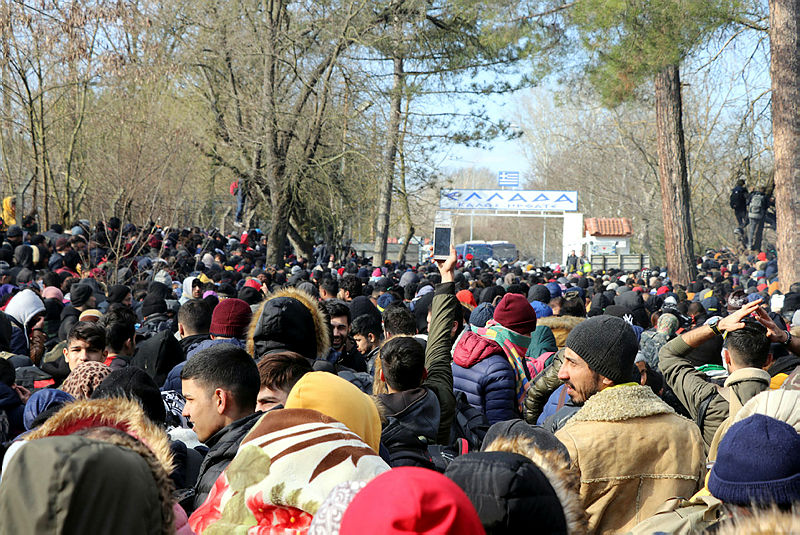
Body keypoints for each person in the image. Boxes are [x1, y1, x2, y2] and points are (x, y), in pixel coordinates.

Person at [554, 315, 705, 534]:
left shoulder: (573, 441)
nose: (561, 373)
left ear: (606, 375)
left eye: (573, 362)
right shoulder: (688, 432)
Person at [659, 298, 799, 458]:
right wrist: (784, 337)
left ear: (726, 357)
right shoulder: (789, 401)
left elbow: (668, 353)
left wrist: (717, 326)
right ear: (768, 360)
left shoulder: (707, 398)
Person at [374, 245, 459, 465]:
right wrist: (446, 275)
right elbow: (439, 342)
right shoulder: (441, 398)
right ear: (424, 372)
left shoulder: (368, 415)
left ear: (382, 376)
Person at [180, 343, 261, 511]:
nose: (184, 412)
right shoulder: (262, 446)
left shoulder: (228, 470)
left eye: (190, 399)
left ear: (220, 400)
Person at [452, 292, 537, 425]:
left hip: (461, 438)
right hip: (484, 442)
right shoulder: (500, 368)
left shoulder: (468, 346)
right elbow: (501, 428)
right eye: (527, 333)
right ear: (517, 333)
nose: (529, 338)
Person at [746, 186, 767, 251]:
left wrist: (751, 191)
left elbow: (747, 202)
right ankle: (758, 243)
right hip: (759, 215)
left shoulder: (753, 195)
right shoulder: (764, 197)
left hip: (751, 214)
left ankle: (749, 244)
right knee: (759, 230)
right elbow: (765, 206)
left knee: (751, 230)